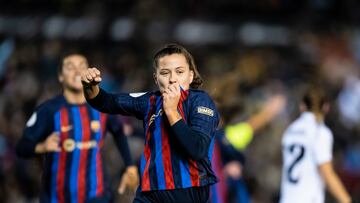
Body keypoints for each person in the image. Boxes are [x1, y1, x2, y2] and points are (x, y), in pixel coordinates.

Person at [81, 44, 220, 203]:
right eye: (165, 73)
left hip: (187, 191)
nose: (173, 78)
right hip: (149, 192)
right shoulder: (150, 100)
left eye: (179, 72)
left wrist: (171, 111)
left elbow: (198, 149)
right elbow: (106, 102)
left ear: (190, 76)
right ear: (156, 78)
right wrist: (90, 87)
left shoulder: (200, 101)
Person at [16, 54, 139, 203]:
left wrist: (130, 166)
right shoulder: (48, 110)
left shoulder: (102, 106)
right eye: (70, 67)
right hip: (57, 196)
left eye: (82, 67)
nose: (77, 72)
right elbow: (22, 147)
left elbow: (118, 132)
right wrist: (41, 146)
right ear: (60, 76)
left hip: (96, 195)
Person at [280, 86, 351, 203]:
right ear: (326, 107)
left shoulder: (290, 130)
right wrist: (346, 199)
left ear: (302, 106)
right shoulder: (320, 132)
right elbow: (326, 172)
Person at [211, 94, 286, 203]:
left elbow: (250, 126)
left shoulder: (226, 135)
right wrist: (270, 111)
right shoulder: (226, 136)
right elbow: (253, 125)